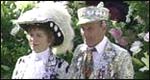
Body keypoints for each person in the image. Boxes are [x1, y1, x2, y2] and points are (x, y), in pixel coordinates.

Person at [68, 2, 134, 79]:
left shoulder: (121, 56)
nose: (85, 34)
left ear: (103, 27)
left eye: (90, 28)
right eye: (83, 29)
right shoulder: (79, 50)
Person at [11, 1, 74, 79]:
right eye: (31, 35)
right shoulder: (22, 62)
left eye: (39, 35)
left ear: (49, 39)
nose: (33, 39)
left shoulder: (61, 66)